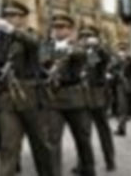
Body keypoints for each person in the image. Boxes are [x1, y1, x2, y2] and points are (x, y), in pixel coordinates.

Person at [0, 2, 52, 176]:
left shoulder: (31, 36)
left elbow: (34, 44)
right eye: (8, 16)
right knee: (8, 145)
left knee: (40, 144)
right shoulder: (0, 40)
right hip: (7, 98)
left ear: (23, 18)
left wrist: (13, 32)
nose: (11, 19)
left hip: (29, 96)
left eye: (15, 16)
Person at [41, 11, 96, 176]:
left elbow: (90, 60)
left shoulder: (79, 45)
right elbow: (41, 62)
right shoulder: (47, 46)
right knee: (52, 140)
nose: (58, 30)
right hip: (54, 98)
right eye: (55, 27)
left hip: (75, 96)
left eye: (62, 27)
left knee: (83, 138)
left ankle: (88, 169)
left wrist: (74, 47)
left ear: (71, 29)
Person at [79, 26, 116, 172]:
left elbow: (106, 58)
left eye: (88, 36)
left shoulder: (97, 53)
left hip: (97, 95)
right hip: (81, 96)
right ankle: (82, 163)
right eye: (82, 36)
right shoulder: (79, 53)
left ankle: (109, 160)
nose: (85, 39)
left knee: (103, 130)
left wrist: (97, 45)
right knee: (82, 132)